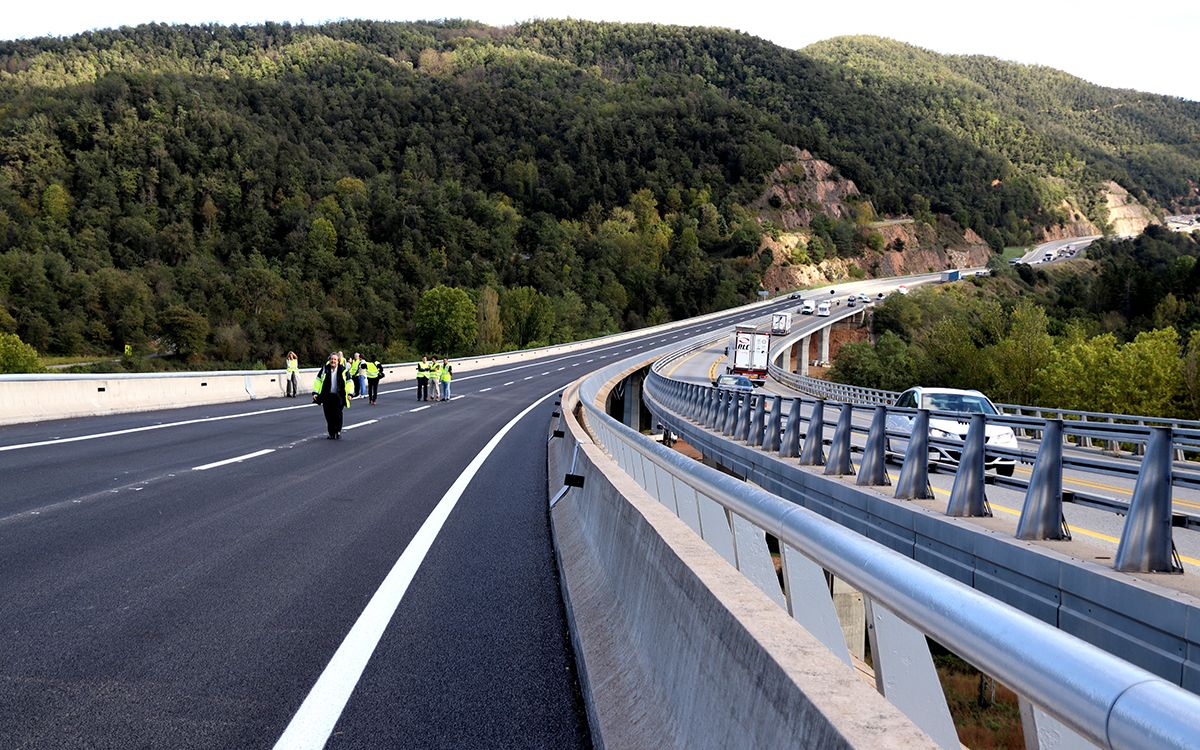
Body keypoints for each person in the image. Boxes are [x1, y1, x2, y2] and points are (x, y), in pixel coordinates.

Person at [312, 352, 351, 439]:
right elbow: (318, 381)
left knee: (337, 415)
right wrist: (315, 392)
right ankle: (331, 433)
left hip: (339, 396)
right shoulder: (324, 369)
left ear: (338, 361)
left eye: (335, 359)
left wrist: (350, 393)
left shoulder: (343, 370)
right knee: (328, 415)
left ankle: (338, 431)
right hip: (327, 396)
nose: (333, 361)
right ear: (329, 360)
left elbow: (349, 382)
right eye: (331, 359)